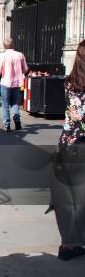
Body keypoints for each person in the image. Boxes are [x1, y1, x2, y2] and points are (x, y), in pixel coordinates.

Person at [53, 39, 85, 260]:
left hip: (67, 144)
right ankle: (74, 242)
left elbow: (74, 117)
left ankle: (67, 243)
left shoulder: (69, 83)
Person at [0, 38, 28, 132]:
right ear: (13, 45)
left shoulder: (2, 56)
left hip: (6, 82)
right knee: (14, 103)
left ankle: (7, 125)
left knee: (5, 105)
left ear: (4, 46)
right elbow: (25, 69)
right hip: (17, 83)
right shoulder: (20, 55)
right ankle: (17, 120)